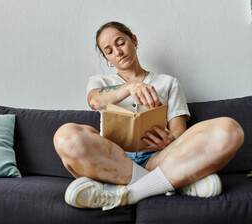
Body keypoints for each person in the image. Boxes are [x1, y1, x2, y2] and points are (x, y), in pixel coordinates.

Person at [53, 21, 244, 211]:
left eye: (120, 43)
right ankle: (175, 180)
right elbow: (94, 101)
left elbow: (179, 134)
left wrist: (169, 141)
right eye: (109, 51)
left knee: (229, 130)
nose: (117, 52)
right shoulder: (100, 82)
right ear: (107, 58)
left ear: (133, 40)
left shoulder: (168, 83)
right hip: (114, 159)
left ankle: (126, 191)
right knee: (65, 137)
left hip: (159, 157)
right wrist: (130, 88)